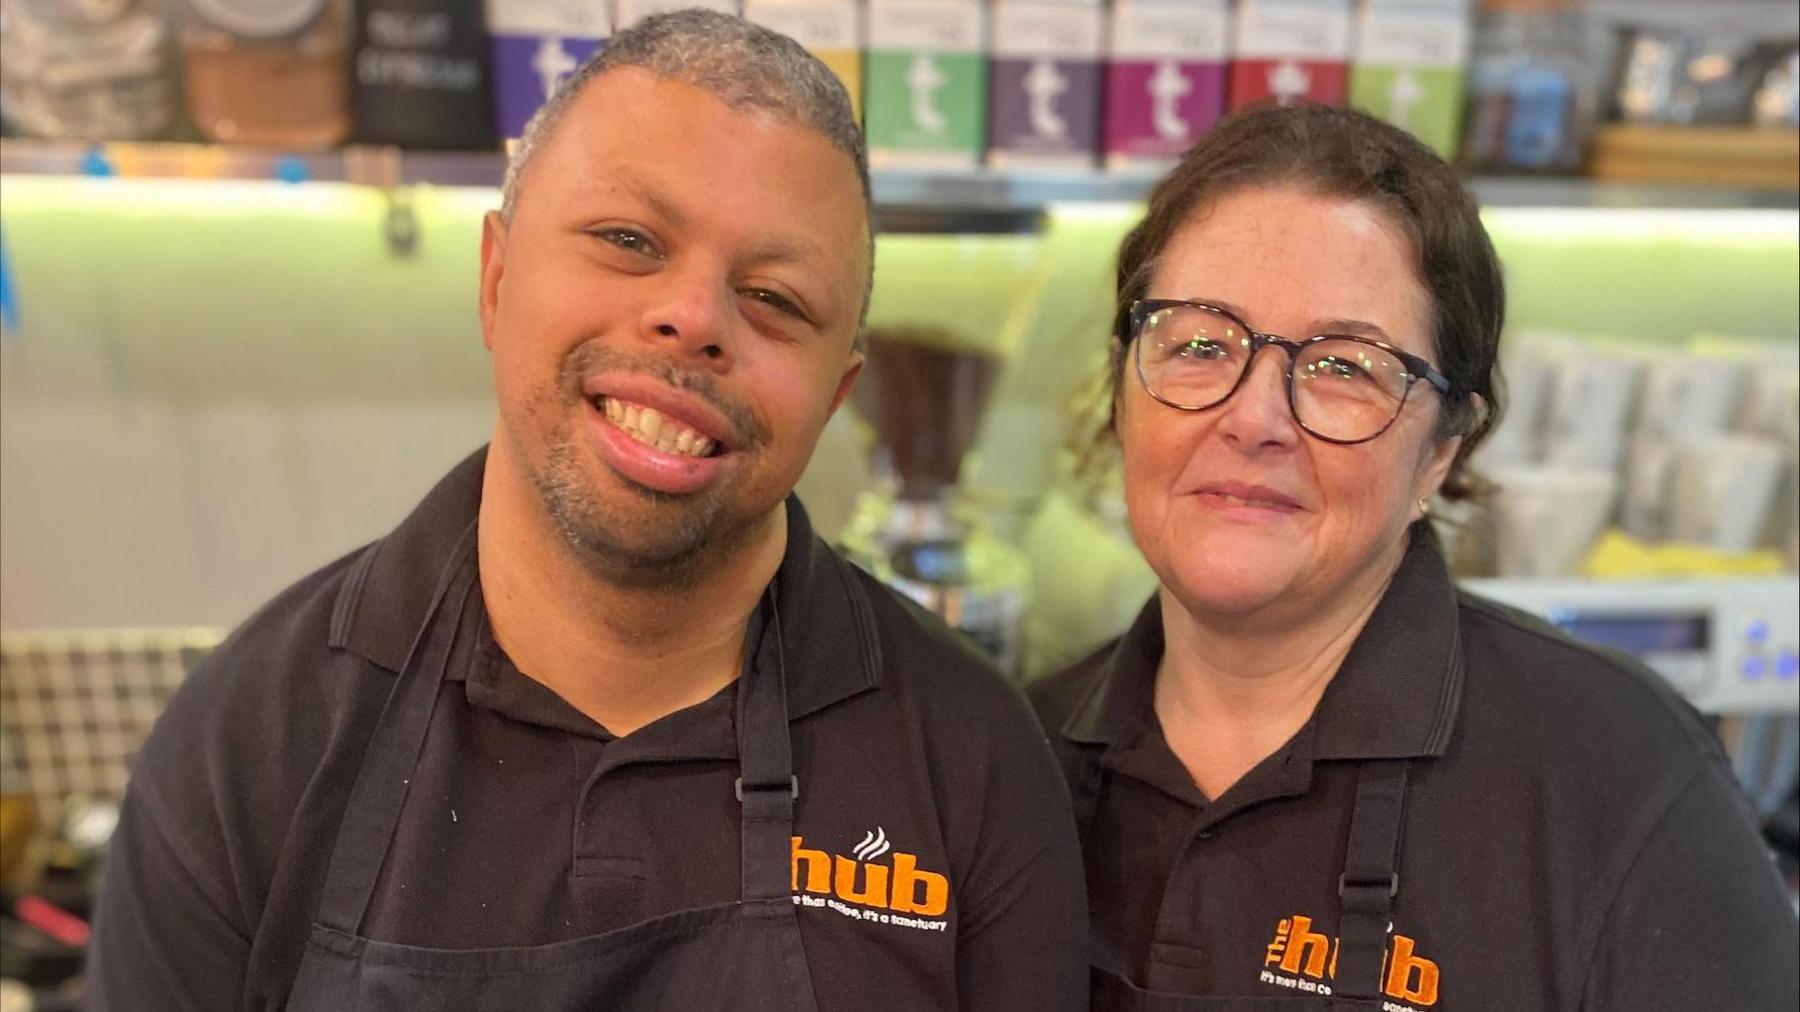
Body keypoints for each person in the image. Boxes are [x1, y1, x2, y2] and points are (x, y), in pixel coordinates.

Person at [88, 12, 1085, 1010]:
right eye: (627, 239)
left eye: (776, 297)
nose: (693, 317)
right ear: (496, 275)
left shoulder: (971, 763)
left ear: (834, 398)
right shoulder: (250, 746)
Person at [1030, 104, 1799, 1011]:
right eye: (1200, 344)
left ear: (1442, 450)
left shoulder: (1621, 781)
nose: (1253, 418)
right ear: (1123, 392)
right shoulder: (1010, 755)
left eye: (1345, 367)